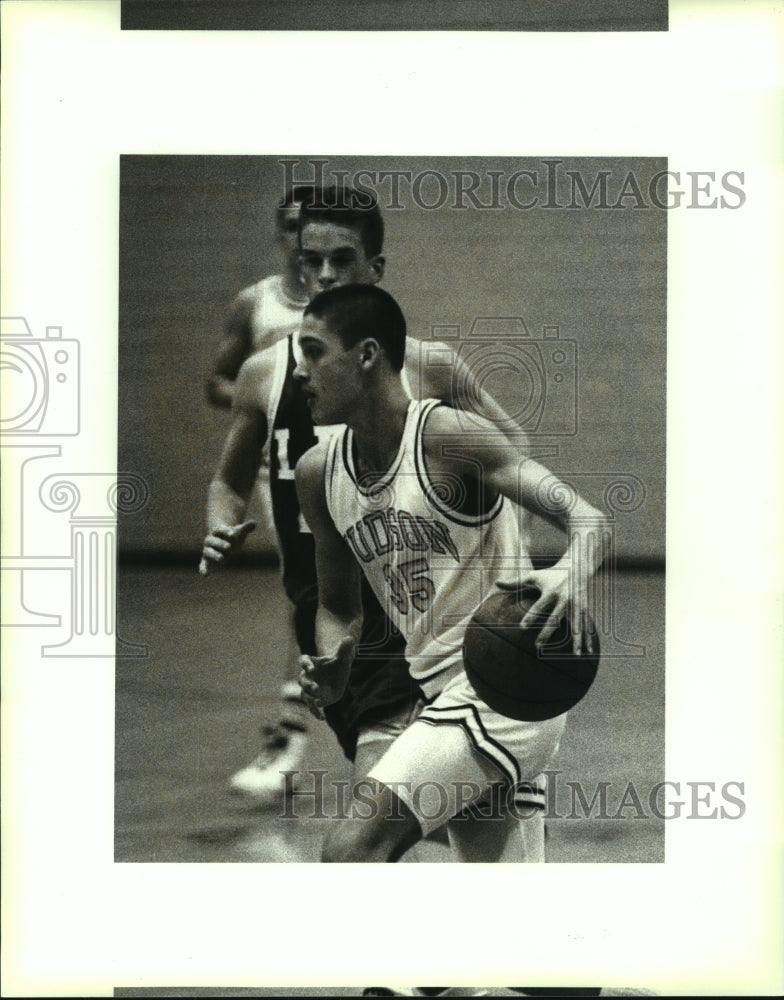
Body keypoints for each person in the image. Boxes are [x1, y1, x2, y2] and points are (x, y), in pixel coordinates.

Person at [201, 185, 530, 809]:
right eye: (311, 259)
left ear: (374, 270)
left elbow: (513, 455)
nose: (324, 274)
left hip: (425, 598)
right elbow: (228, 480)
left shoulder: (429, 367)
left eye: (342, 260)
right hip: (333, 607)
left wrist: (501, 560)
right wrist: (222, 521)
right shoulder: (264, 373)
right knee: (403, 807)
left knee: (394, 815)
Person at [294, 283, 608, 864]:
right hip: (441, 688)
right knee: (505, 923)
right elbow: (339, 607)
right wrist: (335, 661)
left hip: (505, 688)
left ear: (365, 355)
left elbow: (587, 519)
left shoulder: (447, 439)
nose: (299, 370)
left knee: (351, 848)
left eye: (313, 351)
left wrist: (569, 571)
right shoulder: (318, 472)